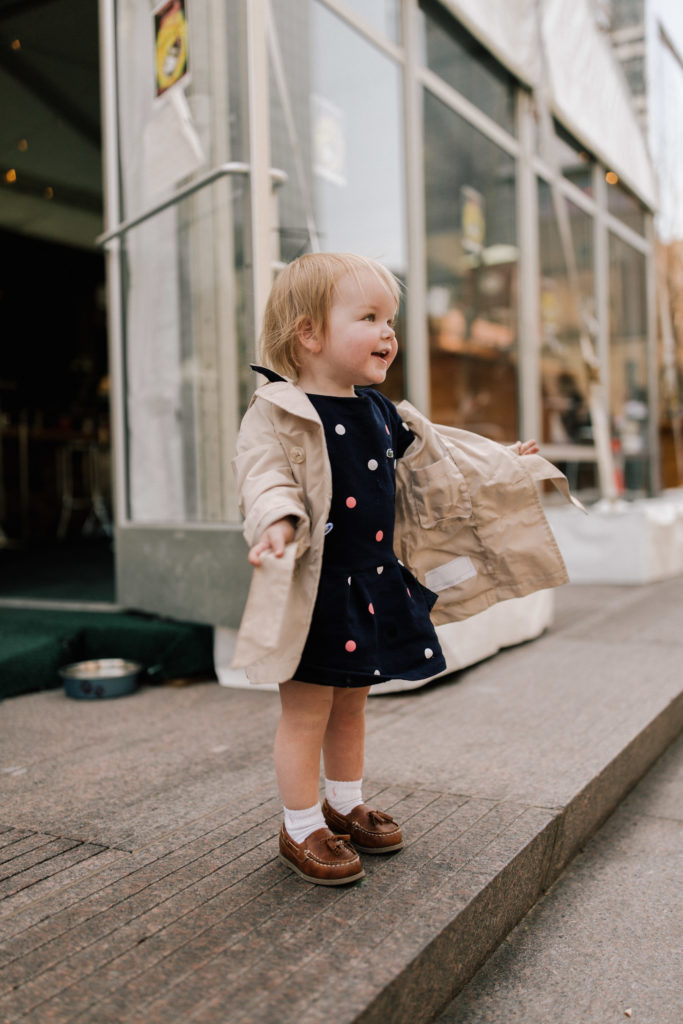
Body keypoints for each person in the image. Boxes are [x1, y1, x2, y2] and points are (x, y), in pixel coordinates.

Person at [232, 252, 577, 887]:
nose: (389, 332)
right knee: (307, 710)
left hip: (371, 582)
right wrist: (277, 523)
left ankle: (344, 800)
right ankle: (301, 824)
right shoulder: (278, 412)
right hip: (315, 591)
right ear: (309, 333)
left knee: (354, 704)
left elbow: (444, 457)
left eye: (391, 319)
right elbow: (265, 478)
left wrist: (504, 458)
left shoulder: (380, 410)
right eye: (370, 317)